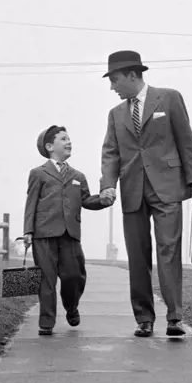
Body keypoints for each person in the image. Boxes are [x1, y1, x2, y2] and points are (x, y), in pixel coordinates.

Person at [99, 50, 192, 338]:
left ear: (133, 75)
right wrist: (108, 185)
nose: (112, 86)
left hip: (167, 188)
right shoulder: (115, 115)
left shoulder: (169, 98)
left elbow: (186, 139)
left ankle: (174, 318)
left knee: (168, 251)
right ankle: (144, 318)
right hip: (132, 190)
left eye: (115, 79)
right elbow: (110, 154)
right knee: (137, 256)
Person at [24, 125, 112, 336]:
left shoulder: (78, 176)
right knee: (46, 279)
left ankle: (71, 307)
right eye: (63, 138)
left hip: (70, 235)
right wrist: (28, 231)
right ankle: (46, 322)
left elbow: (86, 201)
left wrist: (103, 200)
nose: (68, 141)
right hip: (43, 234)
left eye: (69, 138)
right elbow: (31, 203)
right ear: (49, 146)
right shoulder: (38, 173)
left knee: (74, 276)